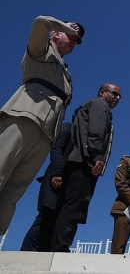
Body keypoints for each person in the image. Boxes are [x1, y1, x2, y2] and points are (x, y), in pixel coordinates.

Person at [0, 16, 84, 235]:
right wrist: (63, 25)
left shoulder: (65, 70)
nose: (74, 42)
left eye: (77, 40)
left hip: (47, 132)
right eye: (71, 36)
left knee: (15, 189)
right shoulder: (40, 51)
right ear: (56, 33)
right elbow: (39, 22)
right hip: (25, 118)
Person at [50, 83, 121, 252]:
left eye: (119, 96)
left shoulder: (91, 106)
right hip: (84, 163)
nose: (117, 98)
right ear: (102, 93)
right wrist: (97, 157)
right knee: (74, 207)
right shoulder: (99, 104)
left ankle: (56, 246)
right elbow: (96, 131)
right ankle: (60, 249)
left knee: (69, 206)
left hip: (78, 162)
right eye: (114, 94)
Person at [20, 122, 72, 251]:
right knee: (45, 218)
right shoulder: (68, 128)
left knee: (55, 220)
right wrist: (57, 173)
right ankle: (27, 251)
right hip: (54, 180)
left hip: (66, 185)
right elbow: (56, 149)